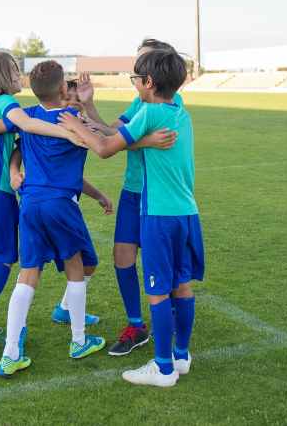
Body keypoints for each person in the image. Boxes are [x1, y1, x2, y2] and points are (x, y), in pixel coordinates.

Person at [60, 49, 202, 388]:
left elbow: (105, 147)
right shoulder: (179, 113)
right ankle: (181, 356)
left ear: (149, 82)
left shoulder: (149, 111)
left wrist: (76, 124)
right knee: (181, 284)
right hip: (186, 213)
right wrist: (143, 140)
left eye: (136, 78)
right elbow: (119, 134)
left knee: (158, 291)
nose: (134, 84)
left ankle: (163, 369)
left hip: (158, 215)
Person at [0, 51, 84, 354]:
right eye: (14, 71)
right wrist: (67, 133)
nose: (19, 76)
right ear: (1, 76)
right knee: (2, 260)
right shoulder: (7, 103)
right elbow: (27, 124)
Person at [0, 60, 112, 377]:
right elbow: (109, 140)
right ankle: (79, 341)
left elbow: (18, 148)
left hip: (30, 203)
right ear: (63, 88)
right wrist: (88, 107)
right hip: (60, 205)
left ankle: (10, 353)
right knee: (76, 266)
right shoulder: (74, 121)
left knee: (28, 273)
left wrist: (14, 170)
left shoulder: (28, 116)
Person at [74, 38, 182, 357]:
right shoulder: (139, 102)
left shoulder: (168, 101)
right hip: (132, 191)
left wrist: (137, 139)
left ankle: (172, 314)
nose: (137, 70)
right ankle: (136, 326)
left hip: (157, 195)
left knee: (161, 262)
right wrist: (88, 106)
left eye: (142, 64)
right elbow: (112, 132)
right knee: (122, 257)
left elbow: (114, 143)